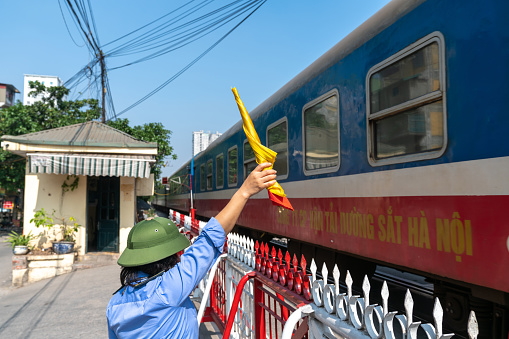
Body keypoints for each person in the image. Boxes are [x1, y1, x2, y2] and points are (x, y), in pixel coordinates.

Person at [107, 163, 277, 338]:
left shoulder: (114, 305)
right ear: (169, 257)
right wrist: (244, 192)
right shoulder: (170, 287)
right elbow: (210, 238)